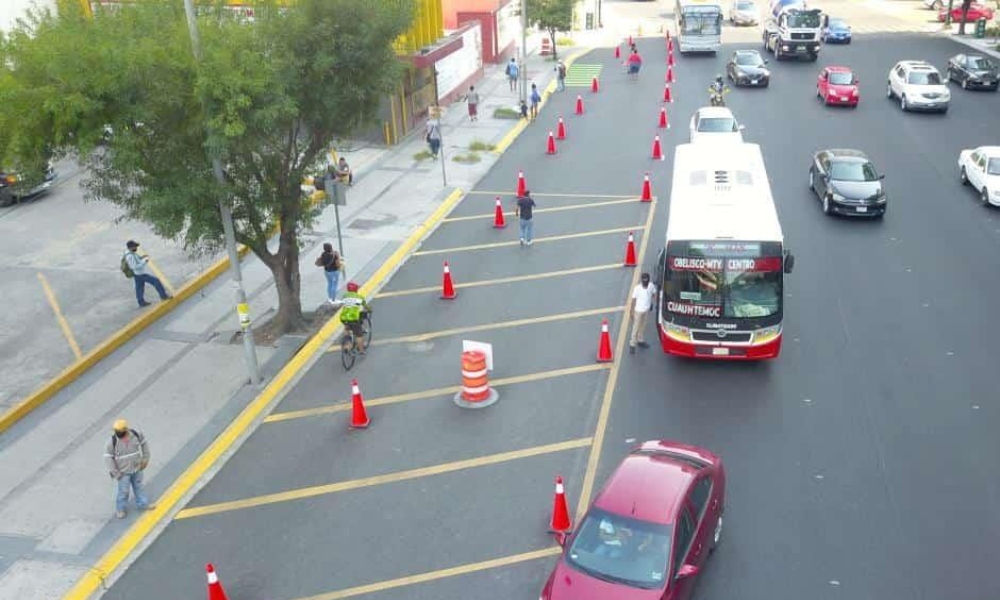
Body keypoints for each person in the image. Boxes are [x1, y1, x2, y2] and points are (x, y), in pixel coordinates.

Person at [104, 419, 154, 519]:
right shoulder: (111, 442)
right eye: (117, 431)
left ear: (126, 430)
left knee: (139, 486)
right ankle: (120, 509)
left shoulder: (136, 434)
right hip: (122, 472)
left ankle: (143, 504)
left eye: (120, 432)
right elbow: (108, 458)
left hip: (137, 468)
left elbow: (144, 444)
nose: (118, 433)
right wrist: (115, 473)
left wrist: (145, 459)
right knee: (123, 491)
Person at [123, 240, 172, 308]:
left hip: (138, 274)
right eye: (135, 246)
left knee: (139, 288)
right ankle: (163, 296)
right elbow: (134, 267)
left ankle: (141, 302)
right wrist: (144, 261)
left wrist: (142, 257)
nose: (136, 248)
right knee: (156, 281)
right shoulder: (130, 256)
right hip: (140, 274)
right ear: (131, 247)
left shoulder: (131, 253)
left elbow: (136, 261)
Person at [629, 272, 658, 354]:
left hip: (646, 310)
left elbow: (653, 294)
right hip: (638, 311)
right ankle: (632, 344)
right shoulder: (637, 288)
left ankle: (640, 340)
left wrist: (651, 302)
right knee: (636, 327)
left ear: (648, 280)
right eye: (644, 280)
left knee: (643, 326)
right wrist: (631, 311)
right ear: (642, 280)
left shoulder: (651, 286)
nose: (645, 282)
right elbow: (633, 300)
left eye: (647, 280)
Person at [339, 281, 371, 353]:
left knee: (347, 328)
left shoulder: (345, 296)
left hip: (343, 318)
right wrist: (369, 309)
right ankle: (361, 350)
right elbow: (365, 306)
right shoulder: (359, 297)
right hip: (353, 318)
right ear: (356, 289)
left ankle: (346, 345)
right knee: (359, 335)